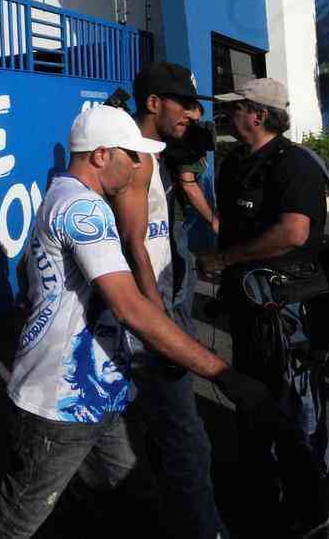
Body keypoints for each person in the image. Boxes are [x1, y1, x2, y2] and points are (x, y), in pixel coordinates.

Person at [0, 106, 283, 539]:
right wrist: (222, 373)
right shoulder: (84, 210)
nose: (140, 166)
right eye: (132, 156)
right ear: (101, 155)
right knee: (12, 525)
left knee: (131, 502)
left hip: (95, 395)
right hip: (61, 404)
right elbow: (129, 307)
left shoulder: (67, 194)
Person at [196, 78, 329, 537]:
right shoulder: (238, 162)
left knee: (294, 406)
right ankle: (260, 493)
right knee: (252, 396)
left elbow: (294, 232)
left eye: (238, 108)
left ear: (258, 114)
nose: (229, 115)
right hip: (247, 303)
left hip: (287, 309)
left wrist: (227, 258)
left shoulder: (293, 164)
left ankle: (310, 508)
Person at [108, 62, 225, 538]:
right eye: (184, 105)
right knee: (186, 436)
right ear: (154, 103)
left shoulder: (157, 154)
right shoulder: (133, 159)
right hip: (148, 311)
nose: (193, 115)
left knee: (159, 429)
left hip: (163, 301)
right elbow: (134, 243)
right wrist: (160, 318)